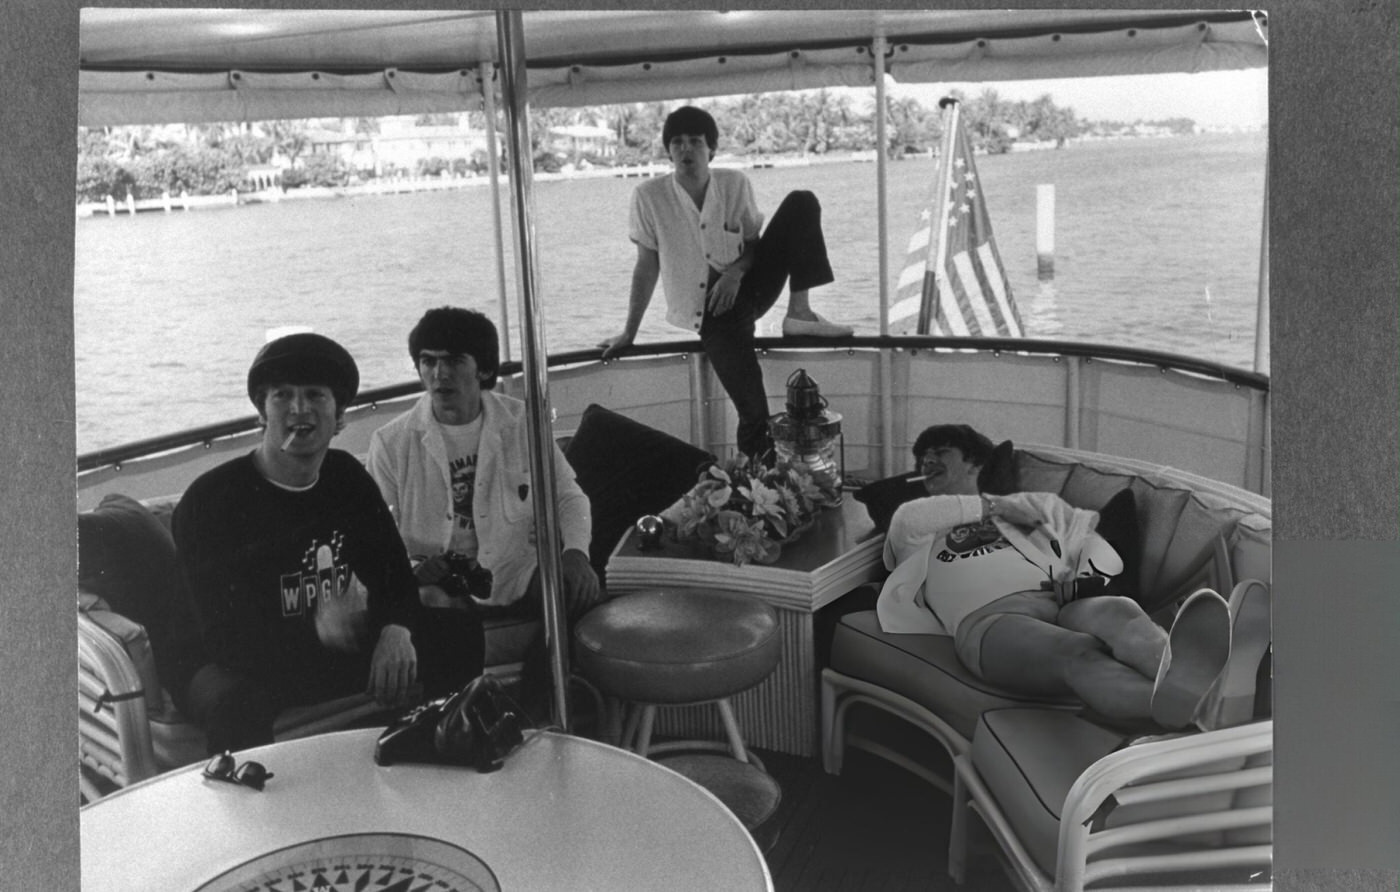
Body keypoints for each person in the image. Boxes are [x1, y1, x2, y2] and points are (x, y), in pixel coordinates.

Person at [172, 332, 484, 755]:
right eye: (283, 396)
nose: (299, 410)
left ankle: (432, 758)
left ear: (339, 418)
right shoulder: (213, 501)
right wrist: (323, 629)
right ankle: (253, 813)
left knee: (458, 635)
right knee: (238, 703)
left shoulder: (345, 479)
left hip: (317, 648)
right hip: (227, 662)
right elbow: (227, 639)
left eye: (316, 396)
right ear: (262, 412)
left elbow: (395, 580)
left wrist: (395, 630)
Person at [875, 424, 1234, 730]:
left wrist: (1081, 579)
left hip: (1058, 599)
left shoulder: (1037, 506)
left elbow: (1093, 541)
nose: (927, 461)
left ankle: (1204, 692)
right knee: (1078, 653)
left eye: (940, 451)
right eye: (922, 458)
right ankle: (1206, 716)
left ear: (975, 462)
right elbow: (910, 520)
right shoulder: (916, 525)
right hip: (989, 618)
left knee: (1119, 609)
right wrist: (995, 505)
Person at [367, 307, 602, 713]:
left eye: (454, 361)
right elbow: (373, 535)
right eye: (429, 361)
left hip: (514, 566)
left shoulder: (522, 423)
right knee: (437, 608)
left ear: (482, 369)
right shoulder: (391, 442)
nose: (439, 375)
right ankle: (456, 723)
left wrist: (575, 553)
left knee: (581, 594)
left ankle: (535, 704)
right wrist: (411, 567)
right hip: (440, 577)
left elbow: (569, 496)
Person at [599, 105, 853, 461]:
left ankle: (800, 312)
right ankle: (759, 487)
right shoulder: (648, 196)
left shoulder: (734, 184)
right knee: (753, 410)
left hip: (750, 286)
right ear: (668, 150)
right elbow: (646, 267)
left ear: (712, 149)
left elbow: (752, 245)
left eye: (696, 142)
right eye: (677, 142)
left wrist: (734, 274)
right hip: (714, 316)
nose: (686, 149)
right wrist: (629, 333)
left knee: (802, 202)